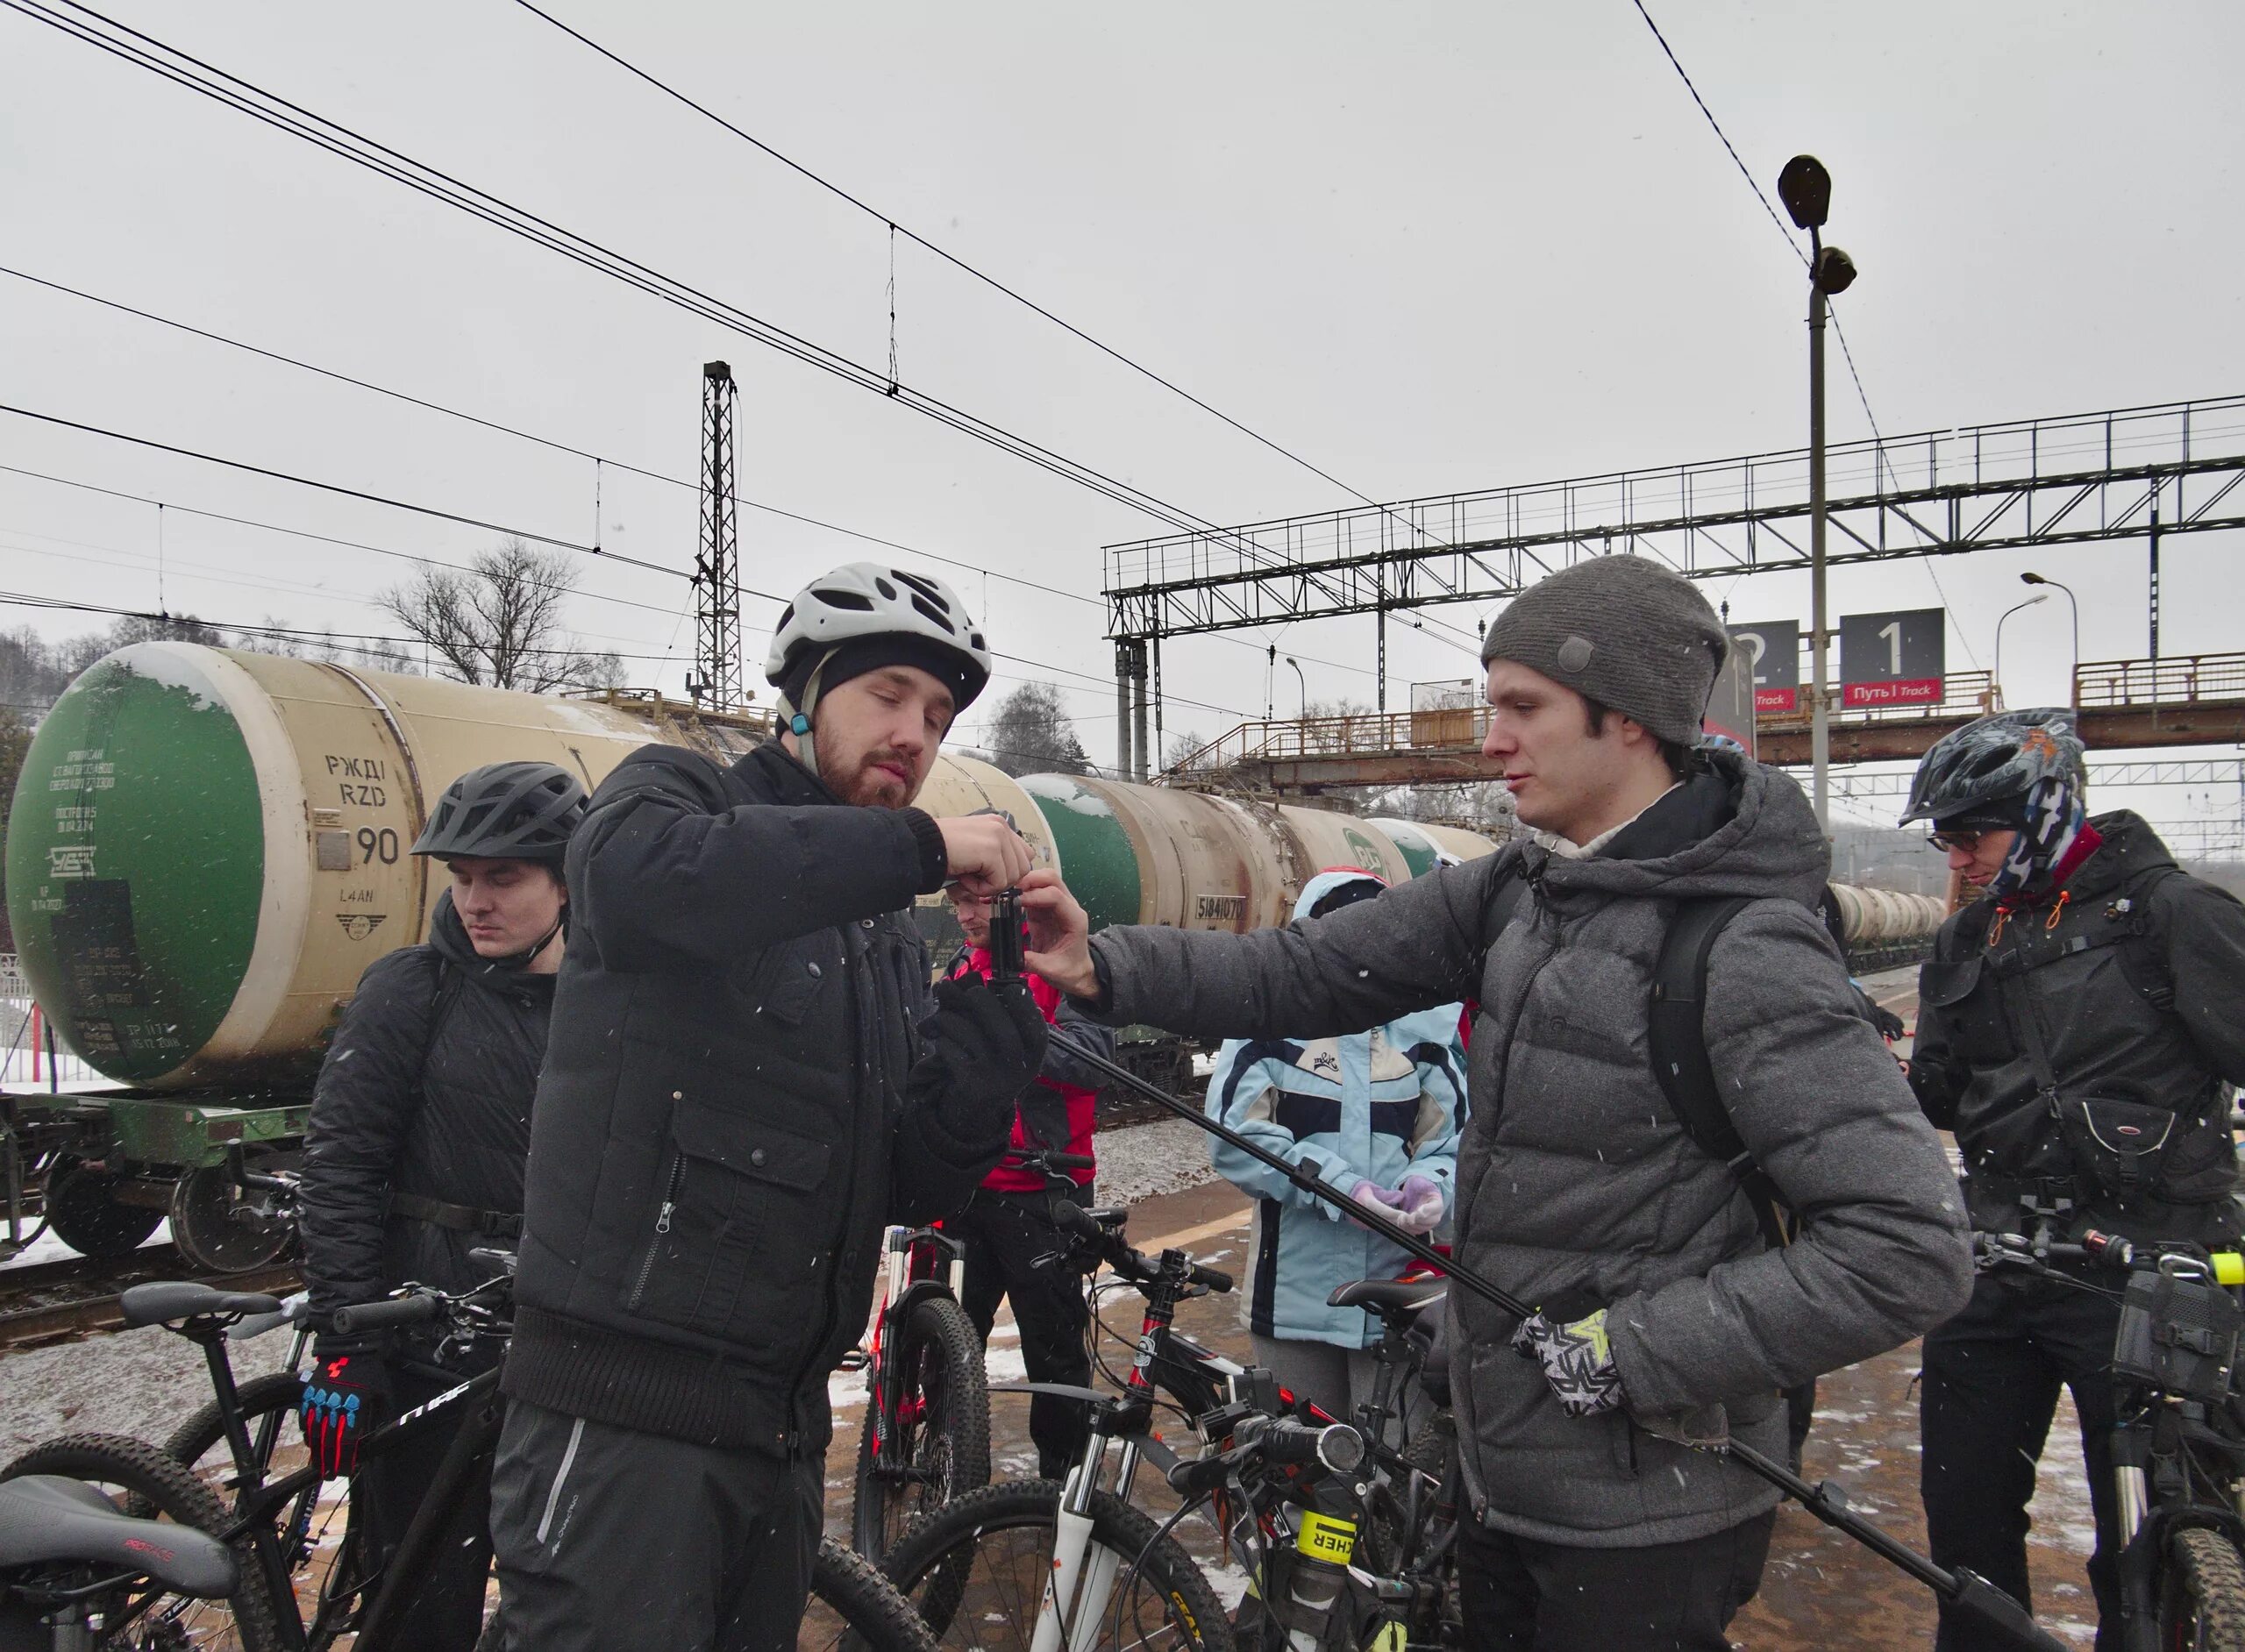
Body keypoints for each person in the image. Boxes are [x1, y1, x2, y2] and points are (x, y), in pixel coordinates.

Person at [1021, 555, 1974, 1652]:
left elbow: (1909, 1248)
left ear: (1629, 721)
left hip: (1646, 1521)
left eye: (1524, 707)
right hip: (1499, 1473)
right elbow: (1304, 972)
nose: (1491, 740)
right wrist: (1098, 963)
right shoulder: (1524, 891)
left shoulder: (1746, 947)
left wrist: (1638, 1348)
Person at [488, 562, 1047, 1652]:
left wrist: (996, 1012)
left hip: (779, 1434)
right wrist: (926, 849)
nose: (915, 734)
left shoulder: (876, 927)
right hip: (624, 1425)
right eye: (886, 694)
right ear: (802, 689)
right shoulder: (673, 799)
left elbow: (909, 1181)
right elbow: (643, 883)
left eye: (936, 716)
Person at [1904, 708, 2245, 1650]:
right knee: (1964, 1533)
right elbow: (1942, 1095)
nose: (1956, 856)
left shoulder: (2173, 916)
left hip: (2151, 1270)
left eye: (1970, 834)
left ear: (2047, 814)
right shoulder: (1964, 941)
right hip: (1999, 1264)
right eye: (1944, 838)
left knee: (2150, 1538)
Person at [296, 758, 587, 1652]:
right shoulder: (411, 990)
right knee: (425, 1606)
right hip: (428, 1344)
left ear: (569, 880)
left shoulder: (606, 1003)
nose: (475, 900)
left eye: (503, 878)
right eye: (462, 879)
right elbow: (341, 1163)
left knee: (566, 1602)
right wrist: (347, 1341)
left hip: (560, 1352)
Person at [1203, 866, 1466, 1435]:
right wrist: (1342, 1190)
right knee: (1301, 1478)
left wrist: (1433, 1187)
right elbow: (1233, 1137)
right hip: (1294, 1308)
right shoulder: (1267, 1026)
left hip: (1397, 1305)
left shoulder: (1423, 1035)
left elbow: (1453, 1142)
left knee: (1397, 1479)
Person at [944, 883, 1115, 1479]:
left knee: (1056, 1354)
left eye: (977, 901)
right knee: (949, 1344)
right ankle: (948, 1469)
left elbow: (1095, 1059)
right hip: (968, 1191)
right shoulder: (963, 963)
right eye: (954, 900)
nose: (963, 914)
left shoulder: (1062, 960)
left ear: (1012, 901)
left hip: (1046, 1196)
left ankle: (1061, 1487)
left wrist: (1010, 1038)